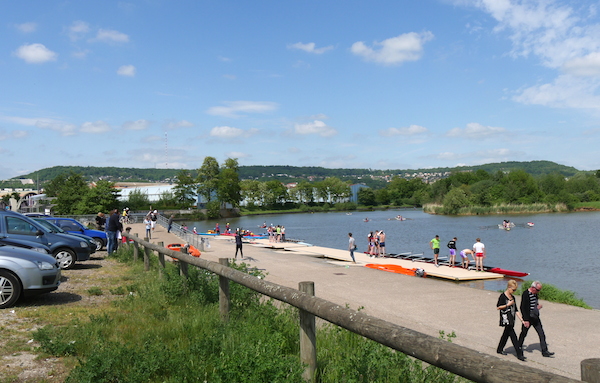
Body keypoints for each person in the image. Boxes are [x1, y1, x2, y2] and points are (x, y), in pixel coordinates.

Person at [518, 281, 555, 358]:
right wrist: (526, 320)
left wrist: (537, 307)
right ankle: (518, 347)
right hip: (528, 318)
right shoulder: (526, 294)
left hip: (535, 317)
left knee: (541, 334)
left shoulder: (535, 294)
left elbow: (534, 304)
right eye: (538, 290)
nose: (538, 292)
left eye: (539, 290)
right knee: (523, 333)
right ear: (533, 288)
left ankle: (545, 351)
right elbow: (523, 307)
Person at [496, 280, 526, 361]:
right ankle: (519, 354)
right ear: (509, 287)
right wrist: (507, 305)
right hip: (506, 318)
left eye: (515, 290)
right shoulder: (502, 296)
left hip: (512, 318)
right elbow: (498, 307)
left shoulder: (513, 298)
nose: (514, 291)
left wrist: (522, 320)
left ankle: (499, 349)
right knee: (513, 337)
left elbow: (516, 310)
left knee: (505, 335)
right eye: (513, 290)